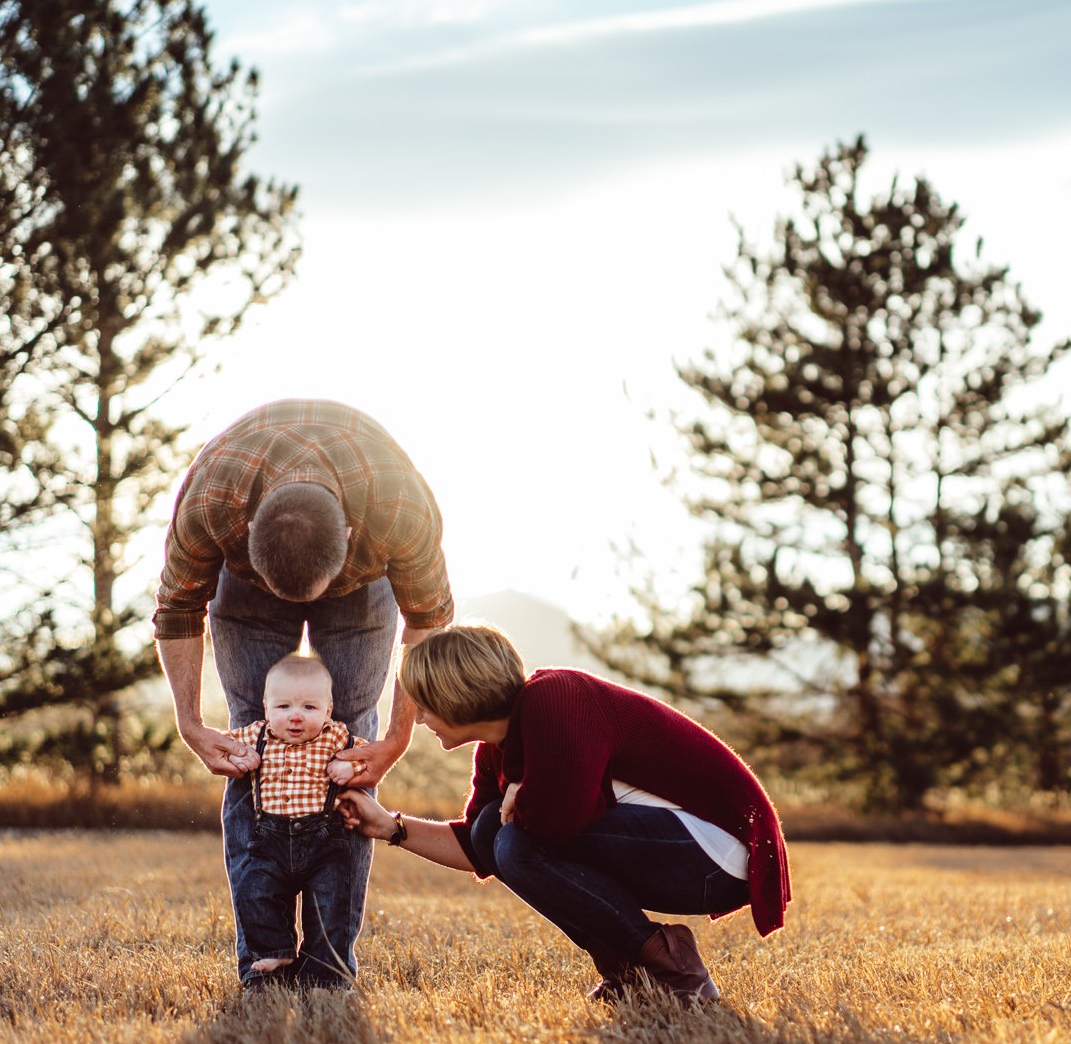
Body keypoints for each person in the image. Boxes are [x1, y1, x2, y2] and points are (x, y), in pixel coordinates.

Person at [152, 399, 453, 989]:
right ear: (247, 531)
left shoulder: (399, 507)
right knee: (253, 742)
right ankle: (264, 956)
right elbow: (177, 608)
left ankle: (327, 961)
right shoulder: (213, 505)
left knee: (350, 747)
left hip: (363, 587)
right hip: (248, 584)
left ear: (348, 533)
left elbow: (426, 622)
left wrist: (393, 739)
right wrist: (191, 724)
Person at [337, 624, 791, 1004]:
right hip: (677, 846)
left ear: (455, 695)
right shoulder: (496, 750)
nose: (420, 720)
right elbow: (479, 847)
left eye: (425, 704)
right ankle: (632, 973)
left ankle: (673, 967)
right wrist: (388, 827)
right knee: (497, 833)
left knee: (514, 840)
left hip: (719, 850)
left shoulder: (555, 698)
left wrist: (521, 796)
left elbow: (558, 821)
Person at [221, 654, 368, 982]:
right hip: (269, 841)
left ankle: (324, 975)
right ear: (266, 707)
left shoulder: (335, 737)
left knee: (330, 907)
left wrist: (351, 767)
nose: (296, 717)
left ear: (328, 711)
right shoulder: (257, 735)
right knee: (252, 890)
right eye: (283, 707)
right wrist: (234, 756)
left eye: (309, 708)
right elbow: (221, 745)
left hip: (324, 843)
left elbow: (367, 756)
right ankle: (277, 950)